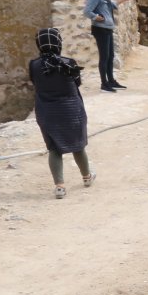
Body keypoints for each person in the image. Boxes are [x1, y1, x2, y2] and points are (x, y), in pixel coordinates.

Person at [29, 28, 93, 199]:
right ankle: (87, 177)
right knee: (78, 145)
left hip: (47, 111)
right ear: (58, 43)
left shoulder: (34, 65)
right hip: (71, 109)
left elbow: (35, 82)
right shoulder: (68, 63)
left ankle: (60, 186)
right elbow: (76, 83)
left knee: (54, 148)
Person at [83, 0, 130, 91]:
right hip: (100, 29)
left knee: (110, 56)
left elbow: (109, 5)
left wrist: (122, 0)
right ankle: (104, 84)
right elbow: (87, 11)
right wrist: (96, 17)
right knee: (104, 57)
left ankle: (111, 81)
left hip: (107, 28)